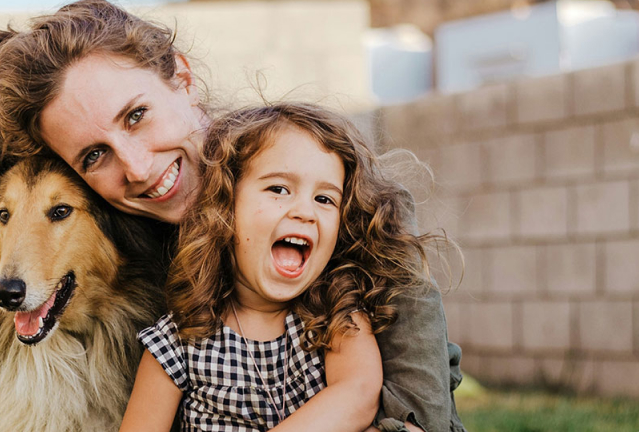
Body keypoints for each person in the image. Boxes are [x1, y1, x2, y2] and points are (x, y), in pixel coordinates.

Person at [0, 1, 464, 431]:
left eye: (137, 115)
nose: (139, 169)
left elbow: (420, 396)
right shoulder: (137, 251)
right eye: (94, 156)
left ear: (183, 79)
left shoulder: (315, 200)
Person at [121, 103, 444, 431]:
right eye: (278, 189)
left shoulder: (335, 314)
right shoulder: (178, 340)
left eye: (324, 199)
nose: (305, 211)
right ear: (224, 206)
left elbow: (357, 393)